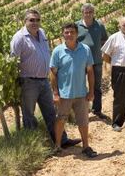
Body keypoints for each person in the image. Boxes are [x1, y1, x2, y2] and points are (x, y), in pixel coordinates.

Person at [10, 9, 80, 149]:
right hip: (28, 81)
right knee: (29, 115)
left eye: (37, 20)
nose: (35, 23)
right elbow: (13, 61)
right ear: (25, 21)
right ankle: (35, 146)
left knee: (50, 112)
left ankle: (61, 140)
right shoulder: (19, 38)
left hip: (44, 80)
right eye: (31, 20)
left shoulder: (41, 33)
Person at [50, 22, 98, 158]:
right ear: (63, 34)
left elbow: (90, 72)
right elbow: (53, 73)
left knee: (83, 121)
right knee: (60, 120)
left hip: (81, 93)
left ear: (77, 34)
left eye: (72, 32)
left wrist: (91, 91)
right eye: (66, 32)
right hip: (64, 94)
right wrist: (55, 93)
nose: (69, 35)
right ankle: (57, 146)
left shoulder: (85, 49)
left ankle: (86, 146)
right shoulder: (57, 51)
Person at [76, 3, 108, 119]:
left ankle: (97, 110)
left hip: (96, 61)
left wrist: (102, 52)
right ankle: (82, 110)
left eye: (90, 12)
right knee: (80, 85)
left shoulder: (99, 25)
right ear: (82, 13)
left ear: (93, 13)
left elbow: (105, 40)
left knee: (96, 86)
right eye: (86, 12)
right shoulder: (77, 26)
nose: (88, 14)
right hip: (80, 62)